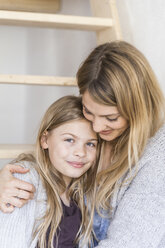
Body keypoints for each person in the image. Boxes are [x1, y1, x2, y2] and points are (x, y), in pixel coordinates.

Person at [0, 41, 165, 248]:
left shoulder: (158, 155)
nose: (96, 126)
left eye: (110, 117)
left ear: (137, 108)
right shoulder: (93, 144)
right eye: (88, 111)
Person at [0, 95, 100, 248]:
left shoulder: (84, 190)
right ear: (45, 140)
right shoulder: (24, 179)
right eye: (69, 140)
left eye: (90, 144)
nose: (80, 152)